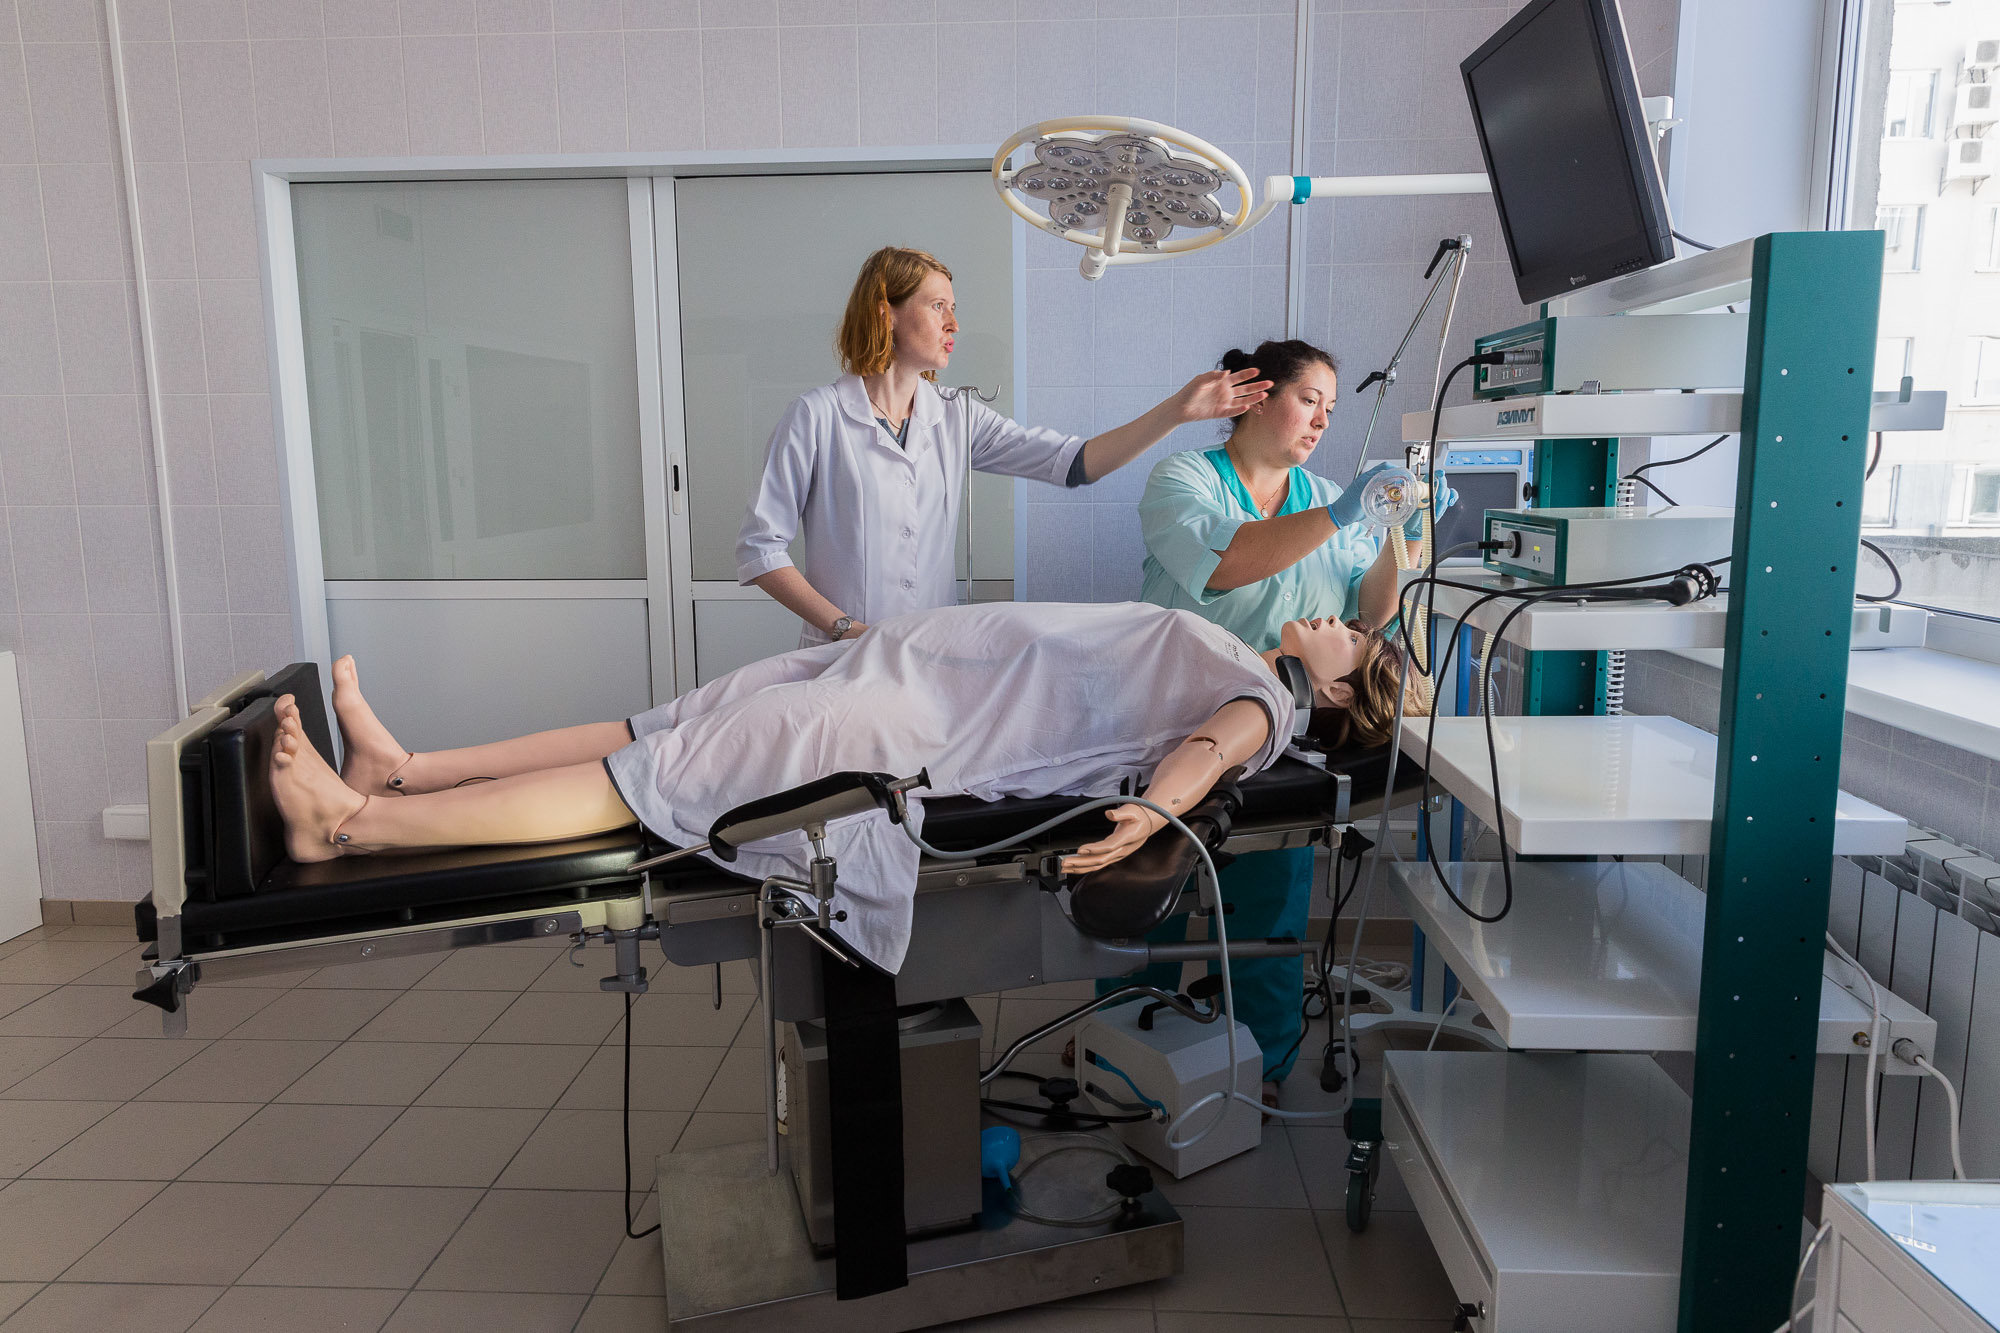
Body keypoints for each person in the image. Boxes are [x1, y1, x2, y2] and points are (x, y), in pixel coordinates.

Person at [268, 601, 1405, 974]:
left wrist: (1154, 809)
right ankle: (404, 768)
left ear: (1339, 690)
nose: (1336, 619)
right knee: (662, 727)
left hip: (911, 727)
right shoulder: (1252, 658)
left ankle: (355, 828)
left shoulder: (1266, 702)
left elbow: (1207, 749)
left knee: (658, 775)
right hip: (905, 668)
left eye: (1352, 636)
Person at [1108, 337, 1451, 1104]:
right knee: (1148, 896)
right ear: (1258, 396)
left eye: (1331, 407)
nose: (1323, 420)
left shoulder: (1327, 495)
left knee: (1267, 908)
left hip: (1285, 732)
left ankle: (1259, 1063)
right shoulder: (1184, 480)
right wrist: (1341, 513)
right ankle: (1122, 1048)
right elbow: (1225, 563)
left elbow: (1371, 614)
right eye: (1309, 400)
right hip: (1168, 714)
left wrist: (1402, 533)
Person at [737, 246, 1272, 646]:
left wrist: (1177, 410)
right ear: (886, 313)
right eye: (938, 306)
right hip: (840, 656)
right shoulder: (817, 417)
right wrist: (846, 629)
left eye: (953, 307)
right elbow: (761, 550)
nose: (954, 324)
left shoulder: (955, 414)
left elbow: (1076, 464)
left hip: (926, 652)